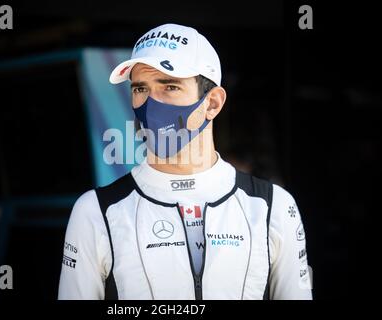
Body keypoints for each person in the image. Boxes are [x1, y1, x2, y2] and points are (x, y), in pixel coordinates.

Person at [58, 23, 312, 300]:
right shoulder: (95, 211)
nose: (151, 104)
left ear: (212, 103)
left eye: (170, 86)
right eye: (140, 88)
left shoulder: (272, 207)